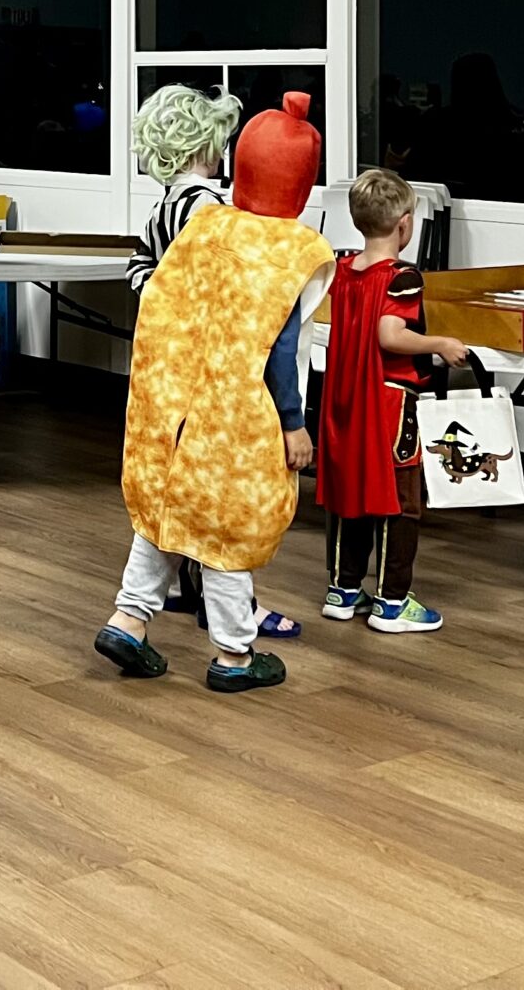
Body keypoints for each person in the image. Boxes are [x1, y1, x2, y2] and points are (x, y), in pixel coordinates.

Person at [93, 86, 332, 692]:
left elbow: (154, 286)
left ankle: (129, 619)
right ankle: (234, 654)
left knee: (166, 511)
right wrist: (293, 422)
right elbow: (277, 350)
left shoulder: (202, 226)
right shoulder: (276, 254)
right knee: (226, 531)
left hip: (170, 396)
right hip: (230, 416)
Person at [319, 168, 475, 634]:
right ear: (405, 224)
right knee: (399, 499)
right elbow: (390, 335)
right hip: (388, 402)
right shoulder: (403, 278)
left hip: (344, 399)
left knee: (350, 491)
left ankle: (343, 589)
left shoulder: (343, 271)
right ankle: (392, 600)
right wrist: (440, 343)